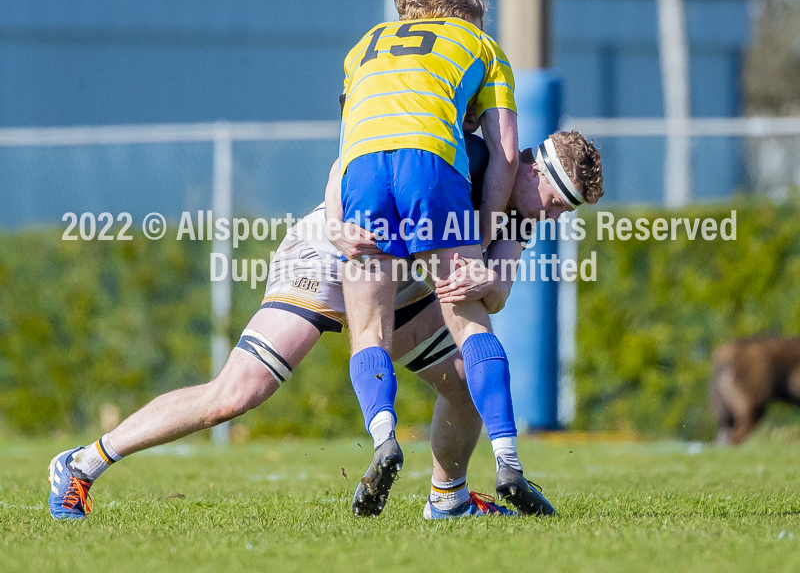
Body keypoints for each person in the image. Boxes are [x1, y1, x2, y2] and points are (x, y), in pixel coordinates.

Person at [46, 129, 604, 521]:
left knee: (464, 383)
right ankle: (81, 462)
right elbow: (351, 160)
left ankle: (448, 499)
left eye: (566, 212)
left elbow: (499, 291)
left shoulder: (519, 213)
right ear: (533, 168)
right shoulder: (470, 155)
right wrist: (339, 225)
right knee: (237, 393)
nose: (555, 217)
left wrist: (485, 275)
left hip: (402, 278)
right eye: (557, 202)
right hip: (327, 254)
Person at [333, 0, 548, 516]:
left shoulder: (363, 48)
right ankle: (508, 462)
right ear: (464, 15)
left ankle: (383, 438)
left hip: (360, 173)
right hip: (430, 164)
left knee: (368, 331)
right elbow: (502, 152)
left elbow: (352, 136)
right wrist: (480, 230)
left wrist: (338, 218)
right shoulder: (482, 46)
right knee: (468, 316)